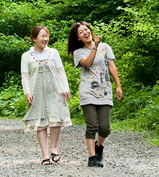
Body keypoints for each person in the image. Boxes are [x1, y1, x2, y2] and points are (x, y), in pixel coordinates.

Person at [67, 21, 123, 168]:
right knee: (92, 125)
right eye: (81, 32)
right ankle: (92, 158)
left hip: (104, 92)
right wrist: (94, 47)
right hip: (88, 93)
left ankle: (99, 147)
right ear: (78, 38)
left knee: (105, 128)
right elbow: (88, 63)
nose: (85, 33)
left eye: (86, 29)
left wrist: (118, 85)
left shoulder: (105, 47)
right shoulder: (78, 52)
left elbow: (112, 66)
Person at [21, 25, 72, 165]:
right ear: (34, 38)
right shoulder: (26, 56)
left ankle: (54, 149)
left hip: (55, 90)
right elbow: (25, 76)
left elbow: (61, 71)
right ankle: (45, 155)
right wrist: (27, 92)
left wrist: (65, 88)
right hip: (37, 91)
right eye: (42, 36)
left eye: (47, 36)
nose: (45, 39)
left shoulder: (53, 53)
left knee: (55, 120)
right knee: (41, 123)